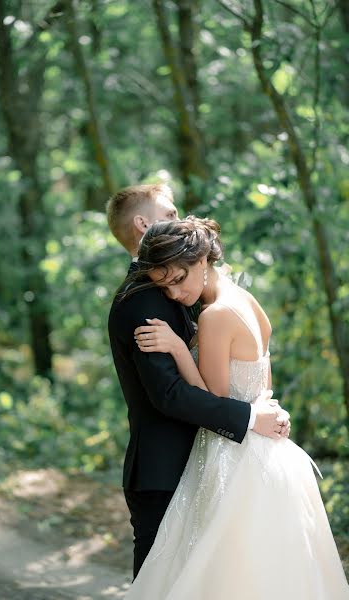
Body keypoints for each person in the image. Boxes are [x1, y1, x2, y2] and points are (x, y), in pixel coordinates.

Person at [125, 216, 349, 599]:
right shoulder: (248, 301)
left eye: (179, 280)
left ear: (201, 262)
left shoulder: (214, 316)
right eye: (166, 287)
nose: (175, 295)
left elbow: (212, 402)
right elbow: (263, 383)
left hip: (232, 457)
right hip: (269, 455)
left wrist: (179, 349)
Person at [107, 184, 290, 579]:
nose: (181, 220)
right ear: (144, 225)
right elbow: (169, 395)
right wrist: (249, 417)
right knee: (161, 585)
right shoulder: (145, 299)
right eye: (170, 214)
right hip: (165, 469)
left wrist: (262, 405)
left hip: (210, 463)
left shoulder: (198, 297)